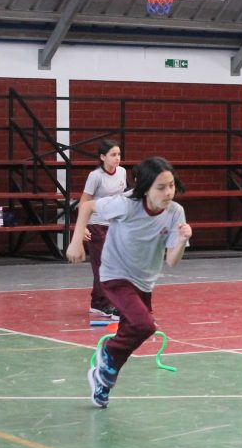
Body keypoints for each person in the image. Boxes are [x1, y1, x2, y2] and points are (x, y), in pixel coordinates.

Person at [67, 157, 191, 409]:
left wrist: (180, 241)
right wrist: (76, 240)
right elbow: (87, 206)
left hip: (144, 282)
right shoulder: (125, 204)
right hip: (115, 275)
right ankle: (107, 354)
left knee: (131, 331)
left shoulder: (175, 212)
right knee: (144, 325)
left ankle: (102, 379)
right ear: (145, 188)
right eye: (161, 187)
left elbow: (171, 261)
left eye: (171, 186)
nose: (168, 192)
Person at [80, 140, 128, 318]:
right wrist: (82, 226)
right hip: (97, 224)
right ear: (102, 157)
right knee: (102, 264)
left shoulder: (122, 172)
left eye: (119, 154)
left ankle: (98, 302)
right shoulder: (95, 176)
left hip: (114, 225)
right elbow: (84, 201)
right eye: (113, 155)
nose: (117, 158)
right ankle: (103, 303)